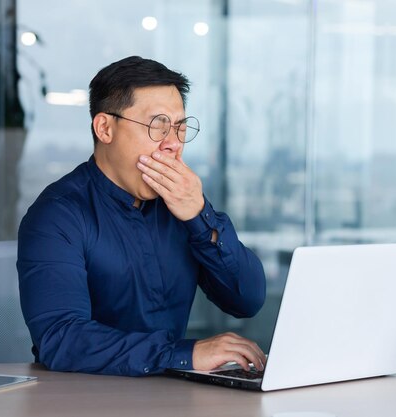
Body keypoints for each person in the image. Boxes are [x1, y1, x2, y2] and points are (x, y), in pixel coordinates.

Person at [17, 56, 267, 377]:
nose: (173, 144)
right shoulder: (57, 215)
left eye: (179, 128)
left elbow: (246, 300)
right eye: (158, 126)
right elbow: (63, 339)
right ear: (105, 128)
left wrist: (199, 216)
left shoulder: (181, 203)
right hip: (84, 398)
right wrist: (184, 355)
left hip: (173, 394)